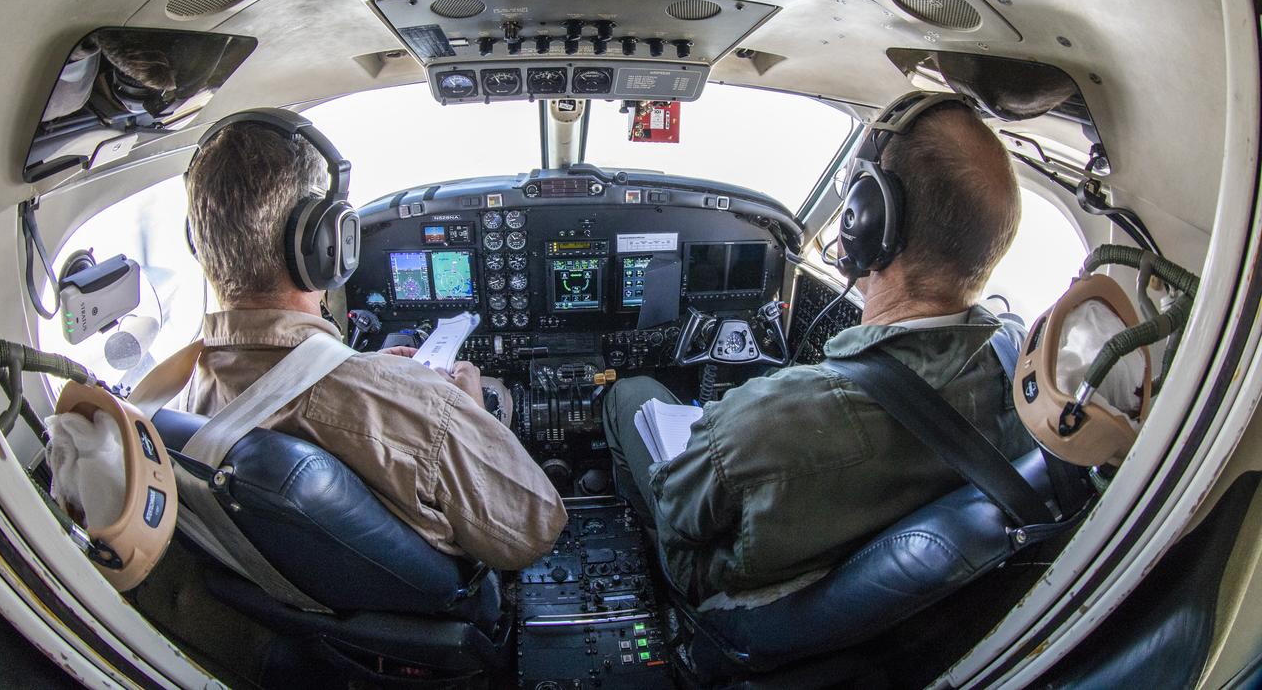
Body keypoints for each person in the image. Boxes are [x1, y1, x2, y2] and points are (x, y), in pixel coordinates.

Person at [603, 96, 1035, 605]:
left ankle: (644, 560)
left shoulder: (756, 424)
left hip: (741, 596)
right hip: (874, 600)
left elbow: (680, 515)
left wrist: (706, 444)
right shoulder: (1023, 389)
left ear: (865, 222)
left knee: (629, 394)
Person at [185, 114, 566, 570]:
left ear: (197, 242)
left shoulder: (179, 398)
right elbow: (535, 528)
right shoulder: (427, 410)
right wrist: (476, 418)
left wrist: (362, 371)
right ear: (330, 243)